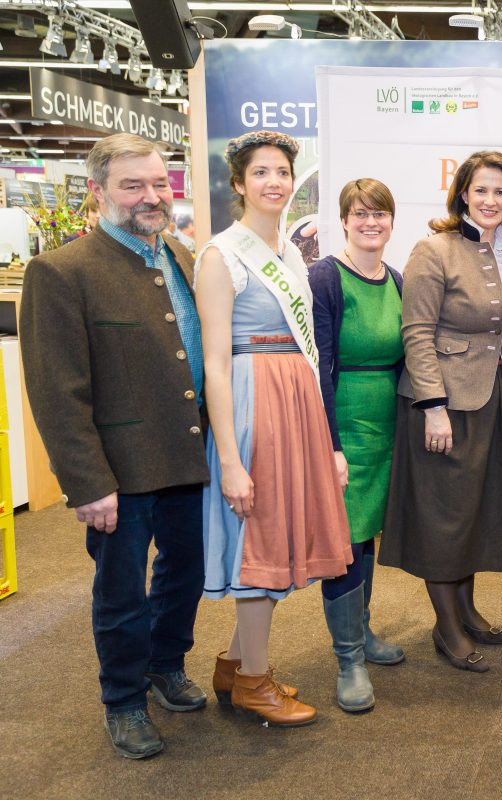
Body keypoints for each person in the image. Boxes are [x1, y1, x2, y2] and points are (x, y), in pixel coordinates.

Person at [20, 133, 209, 758]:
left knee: (185, 575)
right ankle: (123, 701)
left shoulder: (180, 255)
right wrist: (87, 482)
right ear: (99, 193)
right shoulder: (62, 271)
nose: (151, 196)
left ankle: (165, 665)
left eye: (159, 183)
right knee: (122, 594)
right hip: (116, 474)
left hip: (185, 458)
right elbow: (56, 390)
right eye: (134, 186)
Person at [195, 130, 352, 727]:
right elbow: (214, 362)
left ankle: (236, 665)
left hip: (295, 401)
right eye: (260, 173)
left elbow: (311, 350)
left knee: (276, 531)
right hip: (251, 402)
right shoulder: (221, 255)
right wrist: (230, 459)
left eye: (283, 172)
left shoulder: (290, 252)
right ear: (238, 184)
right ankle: (254, 683)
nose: (274, 182)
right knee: (258, 535)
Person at [379, 151, 502, 673]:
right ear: (463, 194)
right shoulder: (433, 249)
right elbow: (417, 333)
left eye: (501, 192)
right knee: (444, 514)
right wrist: (433, 406)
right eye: (481, 190)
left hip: (494, 397)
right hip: (444, 403)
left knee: (477, 509)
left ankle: (466, 610)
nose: (491, 201)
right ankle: (446, 627)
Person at [310, 178, 406, 712]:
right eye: (361, 213)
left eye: (381, 214)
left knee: (365, 532)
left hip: (386, 424)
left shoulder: (396, 279)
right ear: (344, 220)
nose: (371, 222)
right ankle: (348, 658)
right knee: (344, 538)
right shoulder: (325, 276)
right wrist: (330, 443)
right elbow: (317, 364)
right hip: (341, 419)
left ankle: (363, 633)